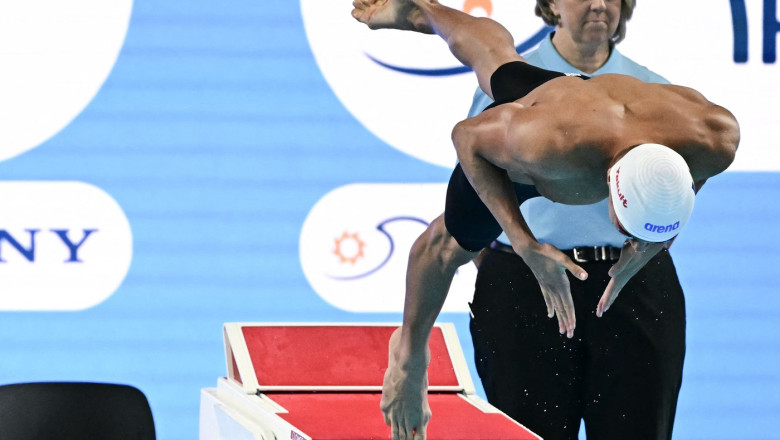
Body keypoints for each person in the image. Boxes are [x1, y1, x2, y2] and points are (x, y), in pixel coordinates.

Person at [350, 1, 740, 439]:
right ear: (609, 188)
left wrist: (653, 243)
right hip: (555, 131)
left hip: (616, 120)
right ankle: (408, 354)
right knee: (448, 243)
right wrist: (523, 243)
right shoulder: (544, 148)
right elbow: (466, 137)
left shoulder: (715, 136)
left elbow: (689, 183)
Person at [466, 1, 685, 439]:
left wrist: (653, 245)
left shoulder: (656, 92)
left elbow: (684, 186)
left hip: (632, 283)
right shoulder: (509, 82)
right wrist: (520, 254)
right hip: (525, 286)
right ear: (550, 4)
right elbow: (475, 191)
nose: (600, 4)